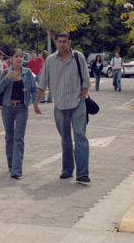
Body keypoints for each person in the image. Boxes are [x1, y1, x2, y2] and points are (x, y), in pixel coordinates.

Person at [34, 31, 91, 184]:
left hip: (77, 103)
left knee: (80, 136)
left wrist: (83, 99)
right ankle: (67, 170)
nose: (62, 44)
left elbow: (86, 80)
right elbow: (43, 82)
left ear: (69, 42)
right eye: (60, 41)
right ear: (56, 43)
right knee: (65, 139)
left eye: (65, 41)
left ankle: (82, 173)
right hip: (60, 105)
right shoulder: (51, 61)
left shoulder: (78, 57)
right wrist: (36, 102)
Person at [0, 49, 37, 179]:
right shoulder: (5, 72)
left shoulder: (28, 73)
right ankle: (11, 165)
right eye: (16, 56)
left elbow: (34, 89)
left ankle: (17, 170)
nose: (19, 59)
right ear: (11, 58)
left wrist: (33, 102)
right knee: (9, 138)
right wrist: (6, 79)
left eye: (21, 56)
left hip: (22, 108)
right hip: (7, 107)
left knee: (19, 138)